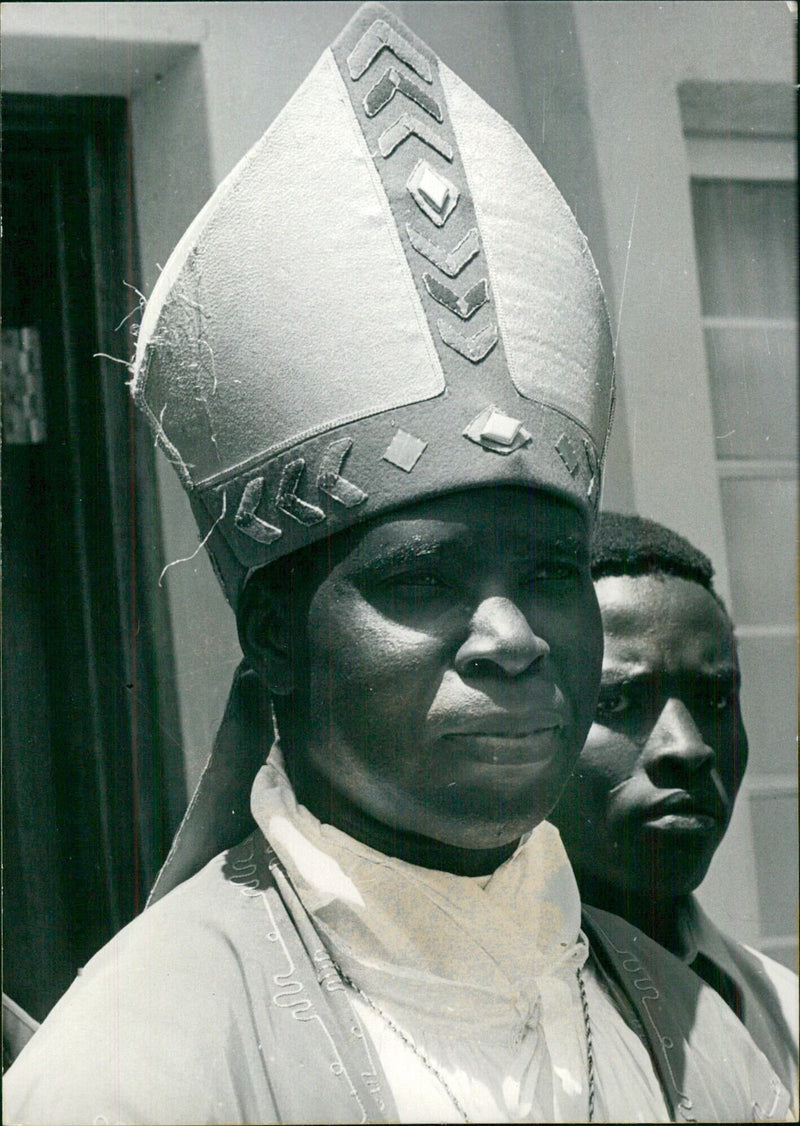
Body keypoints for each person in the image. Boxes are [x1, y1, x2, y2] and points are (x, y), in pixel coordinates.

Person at [3, 5, 790, 1122]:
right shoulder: (141, 1064)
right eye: (421, 579)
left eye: (551, 574)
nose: (513, 637)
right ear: (275, 639)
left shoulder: (687, 1032)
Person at [551, 510, 798, 1114]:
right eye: (615, 700)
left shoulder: (782, 1010)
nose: (688, 747)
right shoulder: (468, 1018)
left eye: (716, 698)